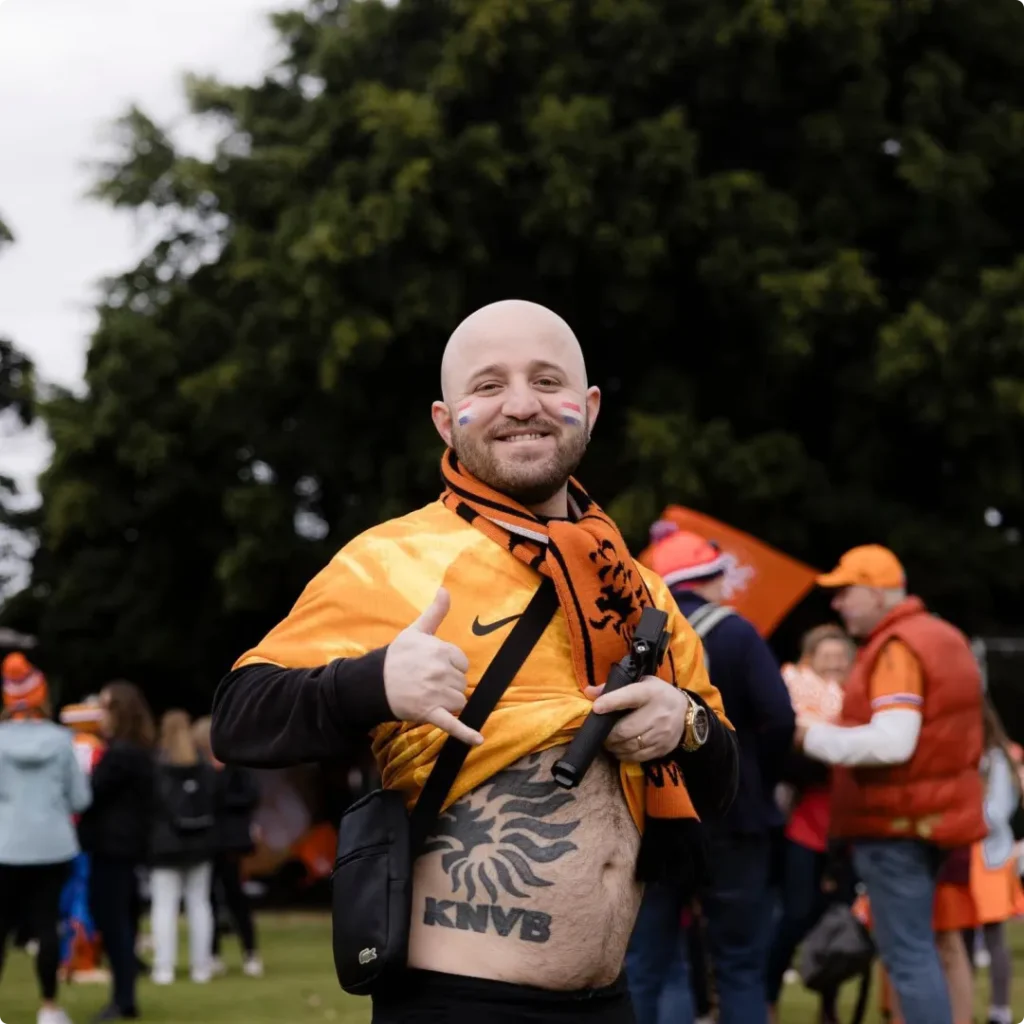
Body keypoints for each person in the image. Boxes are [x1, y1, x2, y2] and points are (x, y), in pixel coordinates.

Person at [212, 298, 739, 1024]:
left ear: (587, 406)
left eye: (546, 381)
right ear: (444, 419)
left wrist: (685, 725)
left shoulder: (637, 589)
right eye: (488, 386)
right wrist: (373, 683)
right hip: (457, 1001)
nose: (521, 404)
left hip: (610, 1001)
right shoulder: (390, 559)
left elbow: (720, 783)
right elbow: (238, 719)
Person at [794, 545, 986, 1024]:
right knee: (920, 951)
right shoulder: (942, 635)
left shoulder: (897, 646)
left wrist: (807, 735)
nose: (836, 604)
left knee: (908, 957)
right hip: (925, 821)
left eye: (846, 592)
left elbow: (893, 743)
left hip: (895, 825)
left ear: (878, 595)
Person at [625, 526, 795, 1024]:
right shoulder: (739, 632)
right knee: (740, 966)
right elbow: (780, 716)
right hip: (737, 820)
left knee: (649, 962)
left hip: (657, 813)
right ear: (712, 578)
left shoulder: (634, 632)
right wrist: (759, 772)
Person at [767, 625, 855, 1024]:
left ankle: (828, 1005)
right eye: (827, 658)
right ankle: (769, 997)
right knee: (796, 915)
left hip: (848, 833)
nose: (836, 665)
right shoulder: (794, 700)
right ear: (810, 661)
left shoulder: (860, 703)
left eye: (842, 658)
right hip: (805, 828)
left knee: (838, 925)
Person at [0, 653, 91, 1024]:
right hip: (52, 844)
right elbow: (81, 798)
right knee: (46, 925)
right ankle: (50, 1008)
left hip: (5, 845)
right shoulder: (61, 740)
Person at [78, 681, 156, 1022]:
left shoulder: (121, 754)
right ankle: (126, 992)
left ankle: (123, 996)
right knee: (120, 919)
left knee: (112, 921)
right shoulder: (138, 750)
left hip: (112, 845)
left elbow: (90, 795)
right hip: (127, 845)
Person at [149, 710, 218, 985]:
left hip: (165, 844)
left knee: (164, 906)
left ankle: (163, 968)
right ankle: (201, 967)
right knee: (199, 904)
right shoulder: (203, 766)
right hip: (199, 841)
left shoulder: (157, 766)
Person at [192, 716, 263, 978]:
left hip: (232, 842)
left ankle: (250, 952)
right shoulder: (199, 767)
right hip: (208, 841)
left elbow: (251, 796)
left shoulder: (236, 766)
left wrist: (222, 801)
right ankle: (211, 954)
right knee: (208, 899)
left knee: (236, 898)